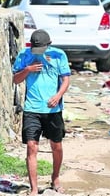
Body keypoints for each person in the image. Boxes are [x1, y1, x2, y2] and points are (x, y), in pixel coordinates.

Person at [12, 29, 71, 195]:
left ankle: (55, 178)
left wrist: (58, 95)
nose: (38, 53)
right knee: (32, 146)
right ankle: (34, 188)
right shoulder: (24, 55)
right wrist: (28, 70)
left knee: (56, 146)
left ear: (48, 45)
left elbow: (66, 79)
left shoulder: (59, 55)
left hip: (53, 109)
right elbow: (15, 80)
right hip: (32, 108)